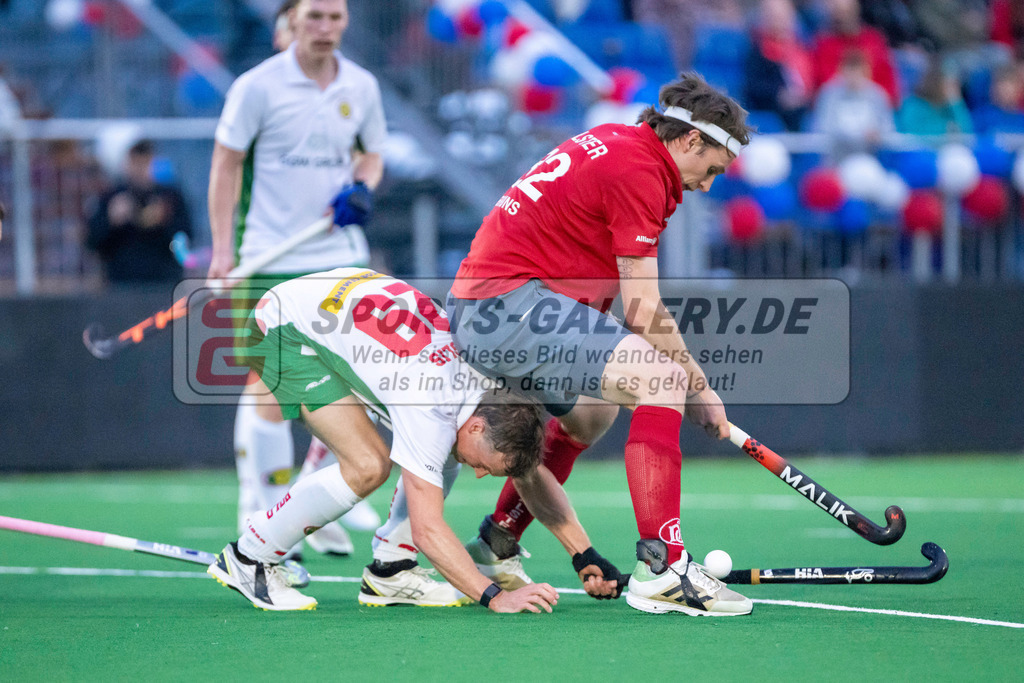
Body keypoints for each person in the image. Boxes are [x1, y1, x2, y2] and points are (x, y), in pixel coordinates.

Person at [435, 72, 754, 617]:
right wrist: (699, 389)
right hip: (506, 304)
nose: (708, 184)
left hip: (491, 305)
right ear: (690, 141)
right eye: (713, 169)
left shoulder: (620, 142)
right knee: (662, 379)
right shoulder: (640, 170)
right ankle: (665, 568)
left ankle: (496, 543)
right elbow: (644, 309)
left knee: (592, 413)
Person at [208, 268, 621, 612]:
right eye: (486, 466)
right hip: (283, 328)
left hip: (335, 305)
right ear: (477, 427)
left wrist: (583, 554)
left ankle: (391, 571)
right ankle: (250, 558)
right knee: (367, 466)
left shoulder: (492, 386)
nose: (480, 475)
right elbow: (428, 529)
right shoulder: (431, 405)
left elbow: (529, 475)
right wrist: (495, 598)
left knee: (443, 453)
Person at [207, 0, 386, 561]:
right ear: (291, 20)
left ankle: (319, 500)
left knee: (348, 380)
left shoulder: (361, 85)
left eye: (336, 17)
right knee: (270, 385)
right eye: (315, 17)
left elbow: (372, 153)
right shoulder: (257, 86)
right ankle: (260, 518)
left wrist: (363, 186)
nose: (326, 28)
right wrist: (220, 250)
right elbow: (226, 166)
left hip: (338, 256)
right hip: (269, 256)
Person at [85, 139, 193, 285]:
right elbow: (93, 243)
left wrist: (165, 221)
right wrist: (111, 220)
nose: (141, 168)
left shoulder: (170, 197)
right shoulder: (112, 197)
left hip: (163, 283)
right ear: (127, 163)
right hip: (122, 285)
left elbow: (185, 239)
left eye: (145, 162)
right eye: (136, 162)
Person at [811, 0, 900, 106]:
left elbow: (890, 88)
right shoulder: (824, 44)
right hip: (838, 110)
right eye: (839, 13)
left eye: (847, 12)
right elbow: (822, 88)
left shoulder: (874, 40)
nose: (844, 18)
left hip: (873, 108)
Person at [744, 0, 814, 131]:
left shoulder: (804, 49)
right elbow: (753, 87)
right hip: (770, 113)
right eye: (773, 16)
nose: (778, 22)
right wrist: (779, 95)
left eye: (782, 16)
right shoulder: (757, 51)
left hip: (804, 111)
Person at [811, 49, 895, 158]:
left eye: (858, 71)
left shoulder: (877, 95)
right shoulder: (829, 94)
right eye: (851, 70)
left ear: (867, 71)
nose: (854, 76)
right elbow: (822, 127)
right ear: (841, 69)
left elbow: (888, 128)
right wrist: (857, 135)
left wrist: (878, 134)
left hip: (870, 156)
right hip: (836, 155)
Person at [896, 57, 973, 135]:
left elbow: (967, 132)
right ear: (935, 81)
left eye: (955, 83)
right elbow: (911, 130)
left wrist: (956, 103)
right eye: (948, 82)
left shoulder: (951, 107)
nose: (952, 88)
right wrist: (946, 128)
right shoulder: (914, 104)